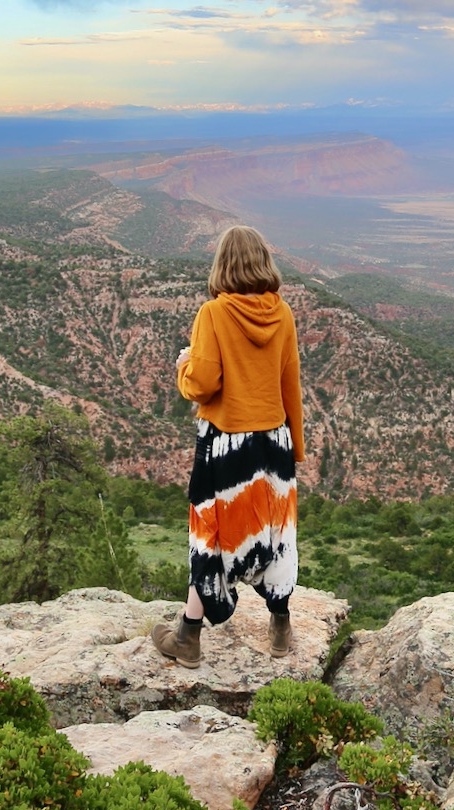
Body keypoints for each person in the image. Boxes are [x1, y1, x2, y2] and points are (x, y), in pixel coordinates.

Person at [152, 225, 306, 668]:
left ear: (222, 265)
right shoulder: (283, 314)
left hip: (227, 445)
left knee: (212, 536)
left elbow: (203, 383)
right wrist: (295, 446)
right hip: (273, 440)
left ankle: (188, 637)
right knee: (276, 533)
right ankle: (280, 627)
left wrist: (183, 366)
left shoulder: (214, 314)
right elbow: (288, 383)